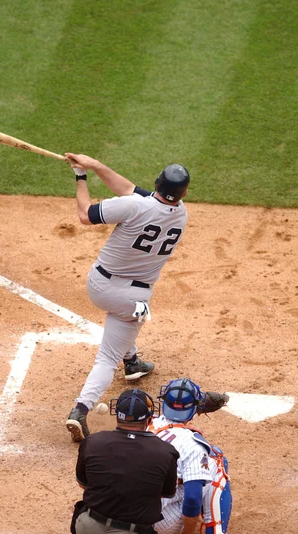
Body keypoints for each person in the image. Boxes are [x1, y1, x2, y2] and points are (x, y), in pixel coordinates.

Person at [63, 152, 190, 442]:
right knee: (110, 353)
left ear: (157, 183)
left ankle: (131, 363)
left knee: (121, 333)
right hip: (133, 298)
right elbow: (129, 189)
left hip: (98, 285)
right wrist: (94, 165)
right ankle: (81, 408)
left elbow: (85, 215)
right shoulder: (181, 214)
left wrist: (81, 177)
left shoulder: (134, 206)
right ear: (182, 193)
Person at [73, 388, 179, 534]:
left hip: (87, 532)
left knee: (108, 499)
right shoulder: (165, 452)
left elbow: (84, 485)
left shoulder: (92, 442)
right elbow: (166, 494)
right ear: (149, 419)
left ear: (117, 415)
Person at [150, 377, 248, 534]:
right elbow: (193, 497)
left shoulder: (145, 424)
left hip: (125, 516)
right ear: (195, 407)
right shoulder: (191, 443)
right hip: (161, 522)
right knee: (216, 459)